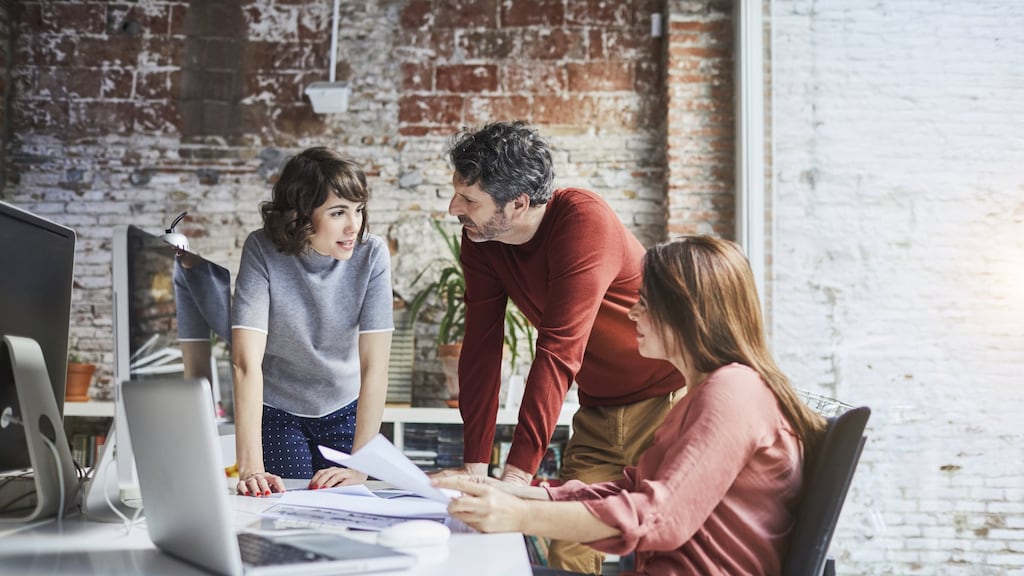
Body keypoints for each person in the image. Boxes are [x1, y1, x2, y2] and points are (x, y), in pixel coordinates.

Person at [434, 235, 829, 576]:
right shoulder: (709, 392)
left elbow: (658, 517)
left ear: (685, 310)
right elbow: (629, 491)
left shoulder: (733, 392)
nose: (632, 311)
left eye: (645, 300)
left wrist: (518, 517)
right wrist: (511, 494)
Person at [439, 120, 685, 573]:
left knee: (668, 546)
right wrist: (475, 467)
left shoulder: (581, 220)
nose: (455, 207)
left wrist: (514, 479)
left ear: (518, 203)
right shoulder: (481, 238)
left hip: (667, 405)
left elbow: (558, 350)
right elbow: (481, 346)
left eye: (469, 199)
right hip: (599, 414)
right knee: (569, 548)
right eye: (457, 193)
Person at [231, 147, 394, 497]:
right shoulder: (262, 249)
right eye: (338, 212)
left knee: (347, 508)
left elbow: (376, 366)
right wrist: (250, 468)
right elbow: (245, 362)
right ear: (302, 214)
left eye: (358, 210)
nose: (354, 226)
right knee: (286, 507)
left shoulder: (372, 254)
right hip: (279, 412)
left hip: (346, 407)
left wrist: (361, 464)